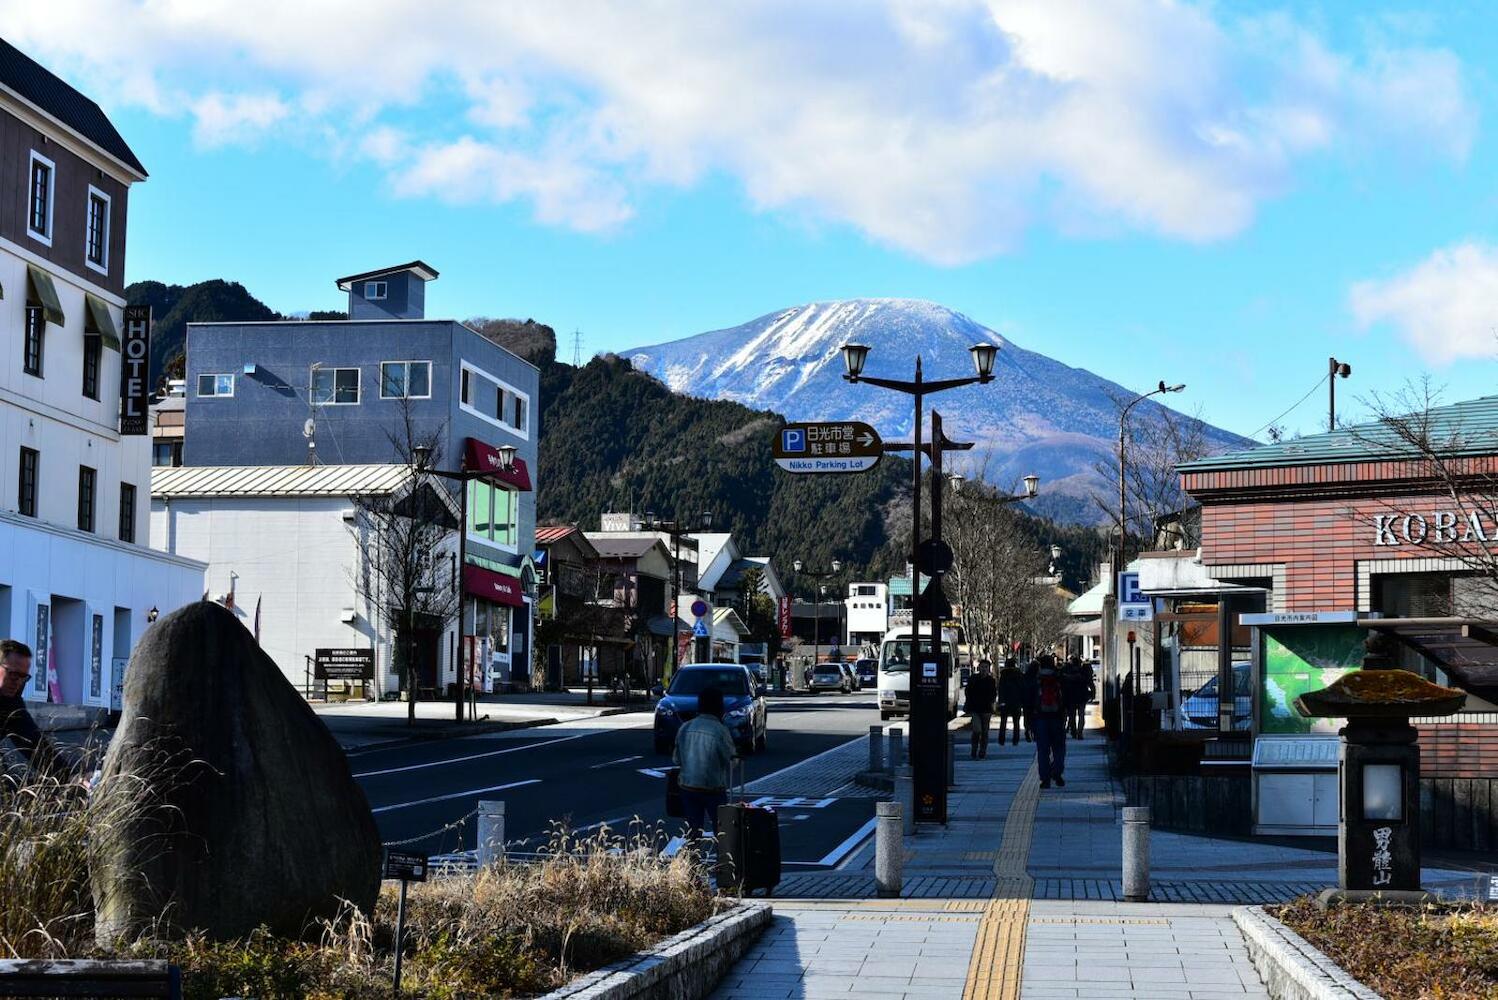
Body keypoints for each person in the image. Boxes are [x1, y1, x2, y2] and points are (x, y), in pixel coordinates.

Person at [672, 685, 737, 842]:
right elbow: (730, 759)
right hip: (713, 787)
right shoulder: (720, 730)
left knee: (693, 831)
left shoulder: (685, 727)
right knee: (721, 830)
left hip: (687, 786)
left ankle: (693, 863)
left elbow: (676, 759)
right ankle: (724, 862)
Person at [0, 639, 66, 777]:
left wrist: (71, 776)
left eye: (23, 677)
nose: (17, 682)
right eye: (13, 674)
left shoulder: (11, 703)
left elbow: (33, 743)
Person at [1027, 653, 1067, 788]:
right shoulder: (1059, 678)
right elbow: (1066, 699)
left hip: (1040, 719)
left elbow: (1028, 703)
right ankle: (1057, 772)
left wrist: (1028, 724)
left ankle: (1045, 779)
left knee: (1043, 751)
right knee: (1059, 748)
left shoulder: (1034, 680)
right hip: (1057, 718)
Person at [964, 660, 997, 759]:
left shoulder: (991, 680)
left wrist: (992, 704)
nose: (984, 669)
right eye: (982, 667)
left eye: (986, 667)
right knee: (977, 730)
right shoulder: (973, 678)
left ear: (989, 669)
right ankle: (974, 748)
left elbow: (994, 694)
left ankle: (982, 751)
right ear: (979, 668)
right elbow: (968, 692)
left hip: (986, 709)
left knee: (985, 732)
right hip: (975, 709)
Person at [1061, 655, 1093, 739]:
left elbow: (1063, 684)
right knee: (1081, 715)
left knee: (1072, 715)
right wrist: (1092, 693)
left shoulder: (1068, 672)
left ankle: (1074, 731)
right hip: (1082, 696)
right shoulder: (1083, 672)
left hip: (1071, 696)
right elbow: (1089, 682)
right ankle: (1080, 732)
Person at [996, 657, 1025, 746]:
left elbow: (1001, 688)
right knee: (1016, 722)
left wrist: (1000, 701)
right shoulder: (1019, 674)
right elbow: (1022, 688)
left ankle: (1001, 739)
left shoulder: (1003, 675)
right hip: (1016, 701)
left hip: (1005, 701)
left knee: (1003, 721)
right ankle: (1015, 740)